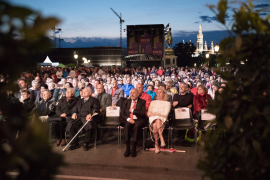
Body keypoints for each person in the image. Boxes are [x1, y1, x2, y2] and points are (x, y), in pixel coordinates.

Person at [121, 89, 146, 157]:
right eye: (131, 93)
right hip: (129, 119)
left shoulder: (142, 102)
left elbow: (142, 113)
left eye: (133, 93)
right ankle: (128, 148)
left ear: (138, 94)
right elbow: (122, 113)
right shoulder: (126, 101)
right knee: (127, 125)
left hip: (139, 120)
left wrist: (132, 110)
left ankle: (134, 147)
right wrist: (129, 119)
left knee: (137, 126)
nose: (131, 94)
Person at [147, 87, 171, 153]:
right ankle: (162, 139)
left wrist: (156, 114)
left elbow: (165, 114)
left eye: (160, 93)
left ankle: (156, 144)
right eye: (158, 93)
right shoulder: (153, 102)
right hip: (152, 118)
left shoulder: (167, 103)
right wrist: (156, 114)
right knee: (157, 119)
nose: (159, 94)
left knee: (155, 124)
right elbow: (148, 114)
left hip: (163, 119)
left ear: (164, 94)